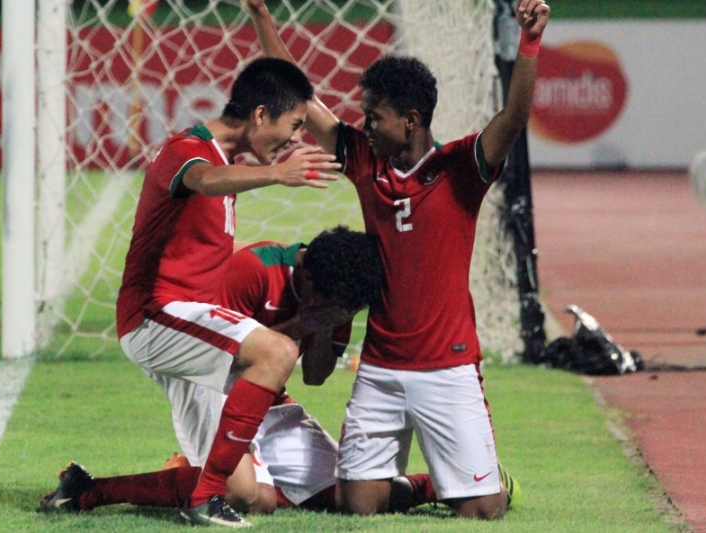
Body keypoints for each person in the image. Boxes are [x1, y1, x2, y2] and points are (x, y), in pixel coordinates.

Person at [244, 0, 549, 520]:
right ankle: (425, 484)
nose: (363, 127)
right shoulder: (365, 161)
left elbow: (514, 116)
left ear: (410, 121)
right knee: (359, 507)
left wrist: (530, 41)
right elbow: (303, 97)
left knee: (482, 511)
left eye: (374, 117)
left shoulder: (461, 169)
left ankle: (478, 482)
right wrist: (259, 16)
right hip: (381, 367)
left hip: (449, 368)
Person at [41, 228, 439, 520]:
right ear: (309, 278)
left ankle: (440, 487)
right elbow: (217, 355)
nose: (343, 314)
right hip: (204, 381)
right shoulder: (252, 270)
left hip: (264, 398)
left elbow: (316, 377)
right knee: (249, 496)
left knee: (347, 495)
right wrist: (301, 324)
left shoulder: (338, 294)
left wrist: (322, 324)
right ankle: (88, 490)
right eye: (336, 307)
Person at [116, 57, 345, 527]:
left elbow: (207, 243)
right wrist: (279, 174)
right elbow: (203, 180)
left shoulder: (227, 167)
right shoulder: (190, 151)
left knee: (248, 494)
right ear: (261, 115)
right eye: (294, 125)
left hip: (184, 326)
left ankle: (88, 490)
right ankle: (202, 498)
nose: (295, 139)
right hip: (156, 315)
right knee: (277, 350)